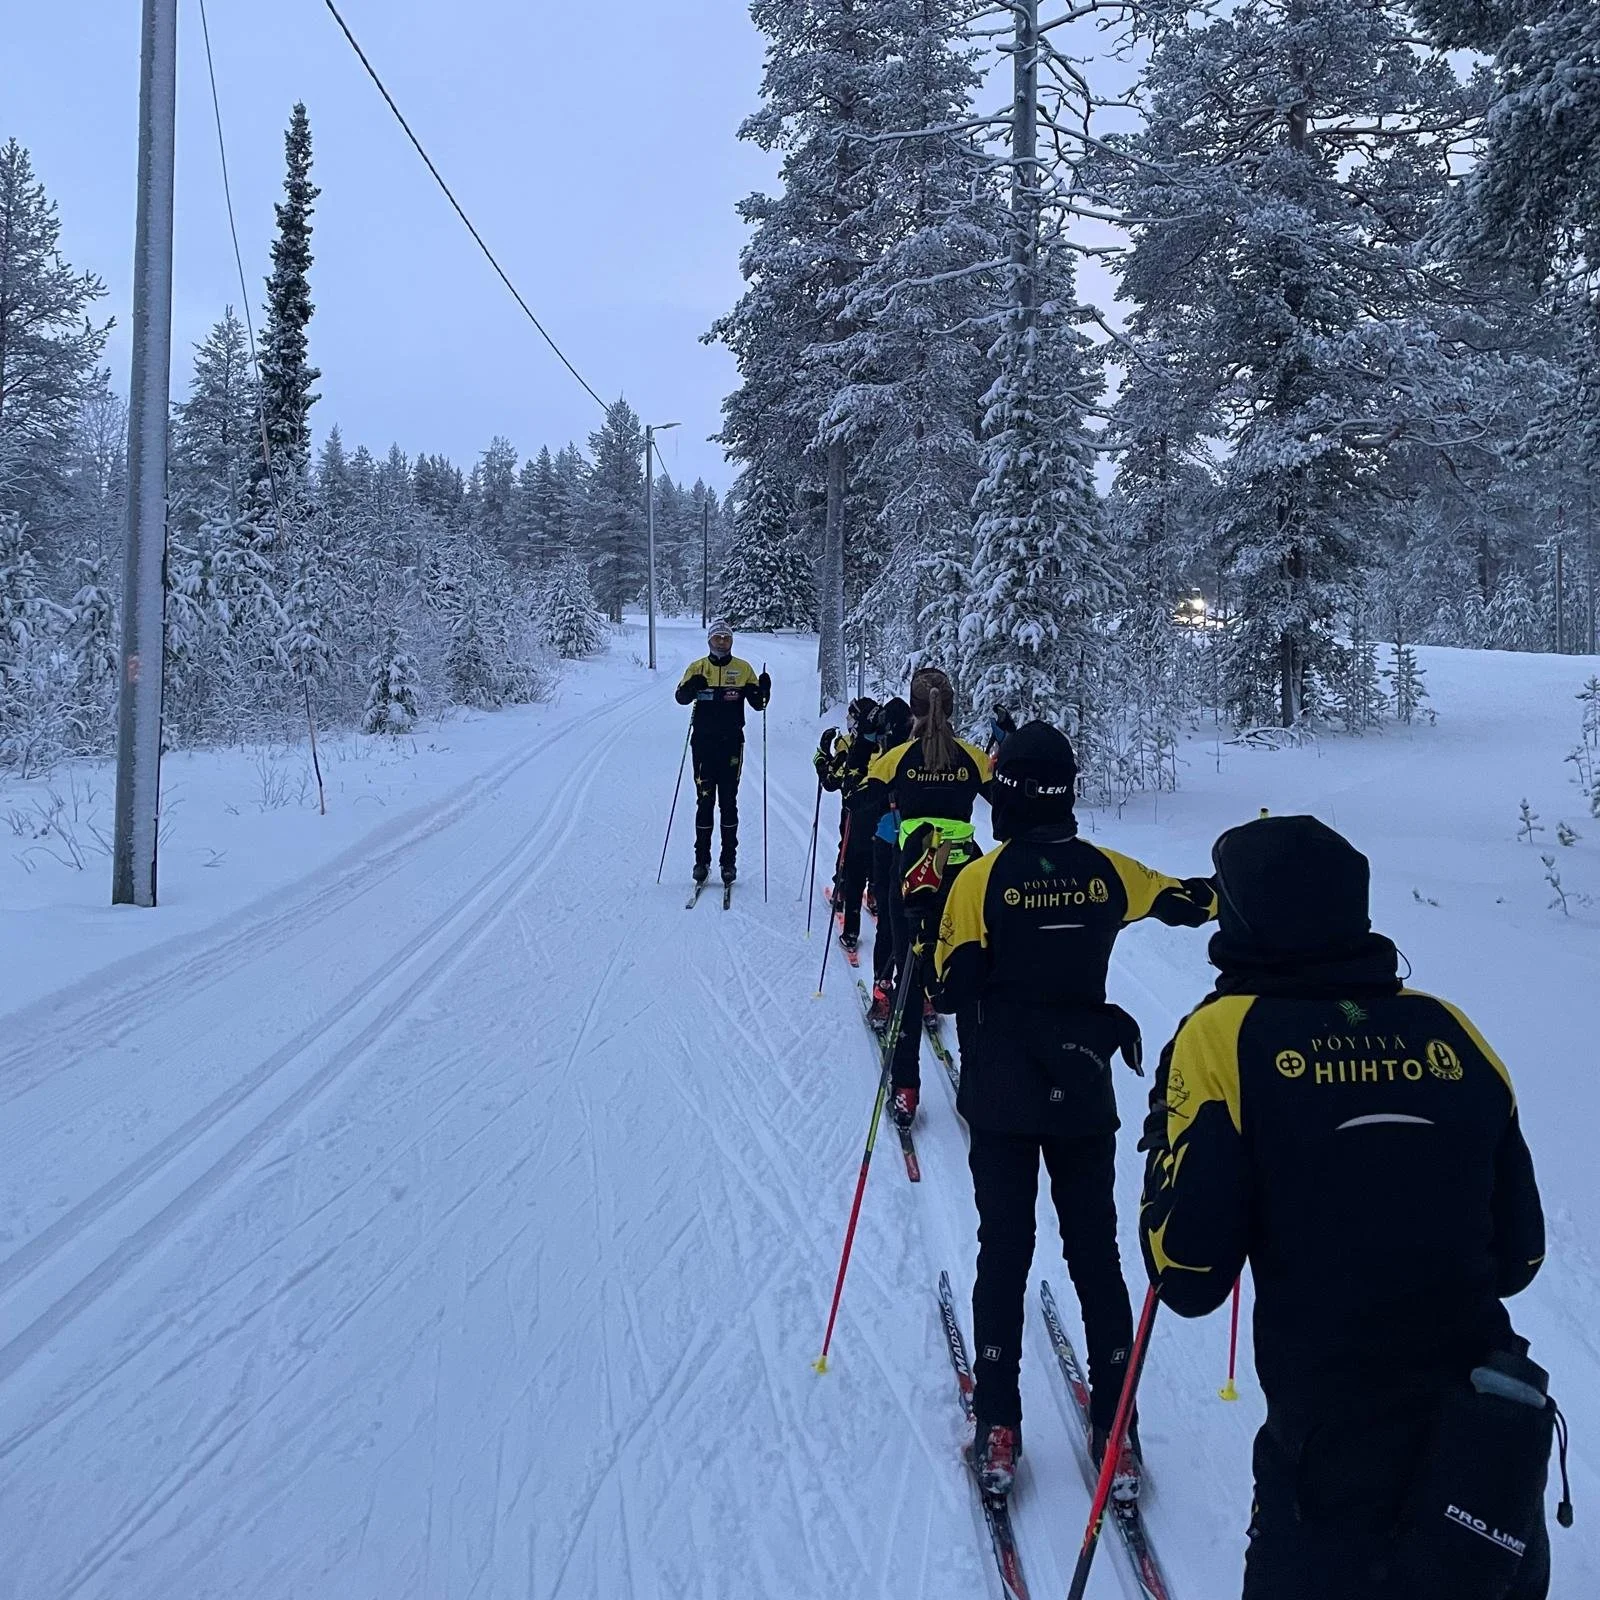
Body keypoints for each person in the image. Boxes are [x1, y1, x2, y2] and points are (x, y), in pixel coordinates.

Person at [1139, 815, 1554, 1600]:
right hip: (1486, 1454)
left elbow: (1187, 1272)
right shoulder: (1451, 1028)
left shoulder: (1223, 1033)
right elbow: (1518, 1257)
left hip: (1333, 1476)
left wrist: (1171, 1146)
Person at [932, 719, 1216, 1499]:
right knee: (1095, 1253)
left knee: (1006, 1250)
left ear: (1009, 794)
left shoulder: (980, 880)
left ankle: (998, 1423)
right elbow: (1188, 902)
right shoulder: (1108, 871)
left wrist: (943, 939)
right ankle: (1116, 1430)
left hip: (1001, 1093)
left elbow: (946, 988)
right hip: (1085, 1087)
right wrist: (1239, 891)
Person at [864, 667, 991, 1127]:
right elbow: (1011, 804)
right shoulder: (973, 758)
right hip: (965, 879)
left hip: (913, 880)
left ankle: (906, 1089)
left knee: (908, 974)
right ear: (952, 706)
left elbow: (863, 802)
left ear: (914, 708)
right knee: (971, 974)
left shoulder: (899, 757)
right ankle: (978, 1086)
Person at [674, 621, 771, 885]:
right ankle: (701, 861)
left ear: (731, 642)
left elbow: (758, 704)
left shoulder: (742, 669)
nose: (721, 642)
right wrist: (693, 685)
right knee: (704, 801)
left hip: (731, 744)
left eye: (725, 638)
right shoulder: (698, 667)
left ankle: (728, 862)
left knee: (728, 802)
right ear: (709, 641)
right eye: (717, 638)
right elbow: (680, 698)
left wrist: (764, 689)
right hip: (703, 744)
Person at [814, 697, 879, 956]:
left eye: (852, 718)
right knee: (879, 857)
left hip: (855, 815)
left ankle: (850, 927)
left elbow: (831, 780)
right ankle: (873, 896)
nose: (848, 722)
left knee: (851, 860)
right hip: (884, 817)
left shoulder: (850, 746)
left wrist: (821, 754)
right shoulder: (886, 745)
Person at [865, 696, 911, 1026]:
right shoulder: (888, 754)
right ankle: (886, 990)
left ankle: (890, 991)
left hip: (903, 844)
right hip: (892, 841)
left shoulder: (906, 753)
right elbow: (864, 794)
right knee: (899, 919)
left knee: (893, 921)